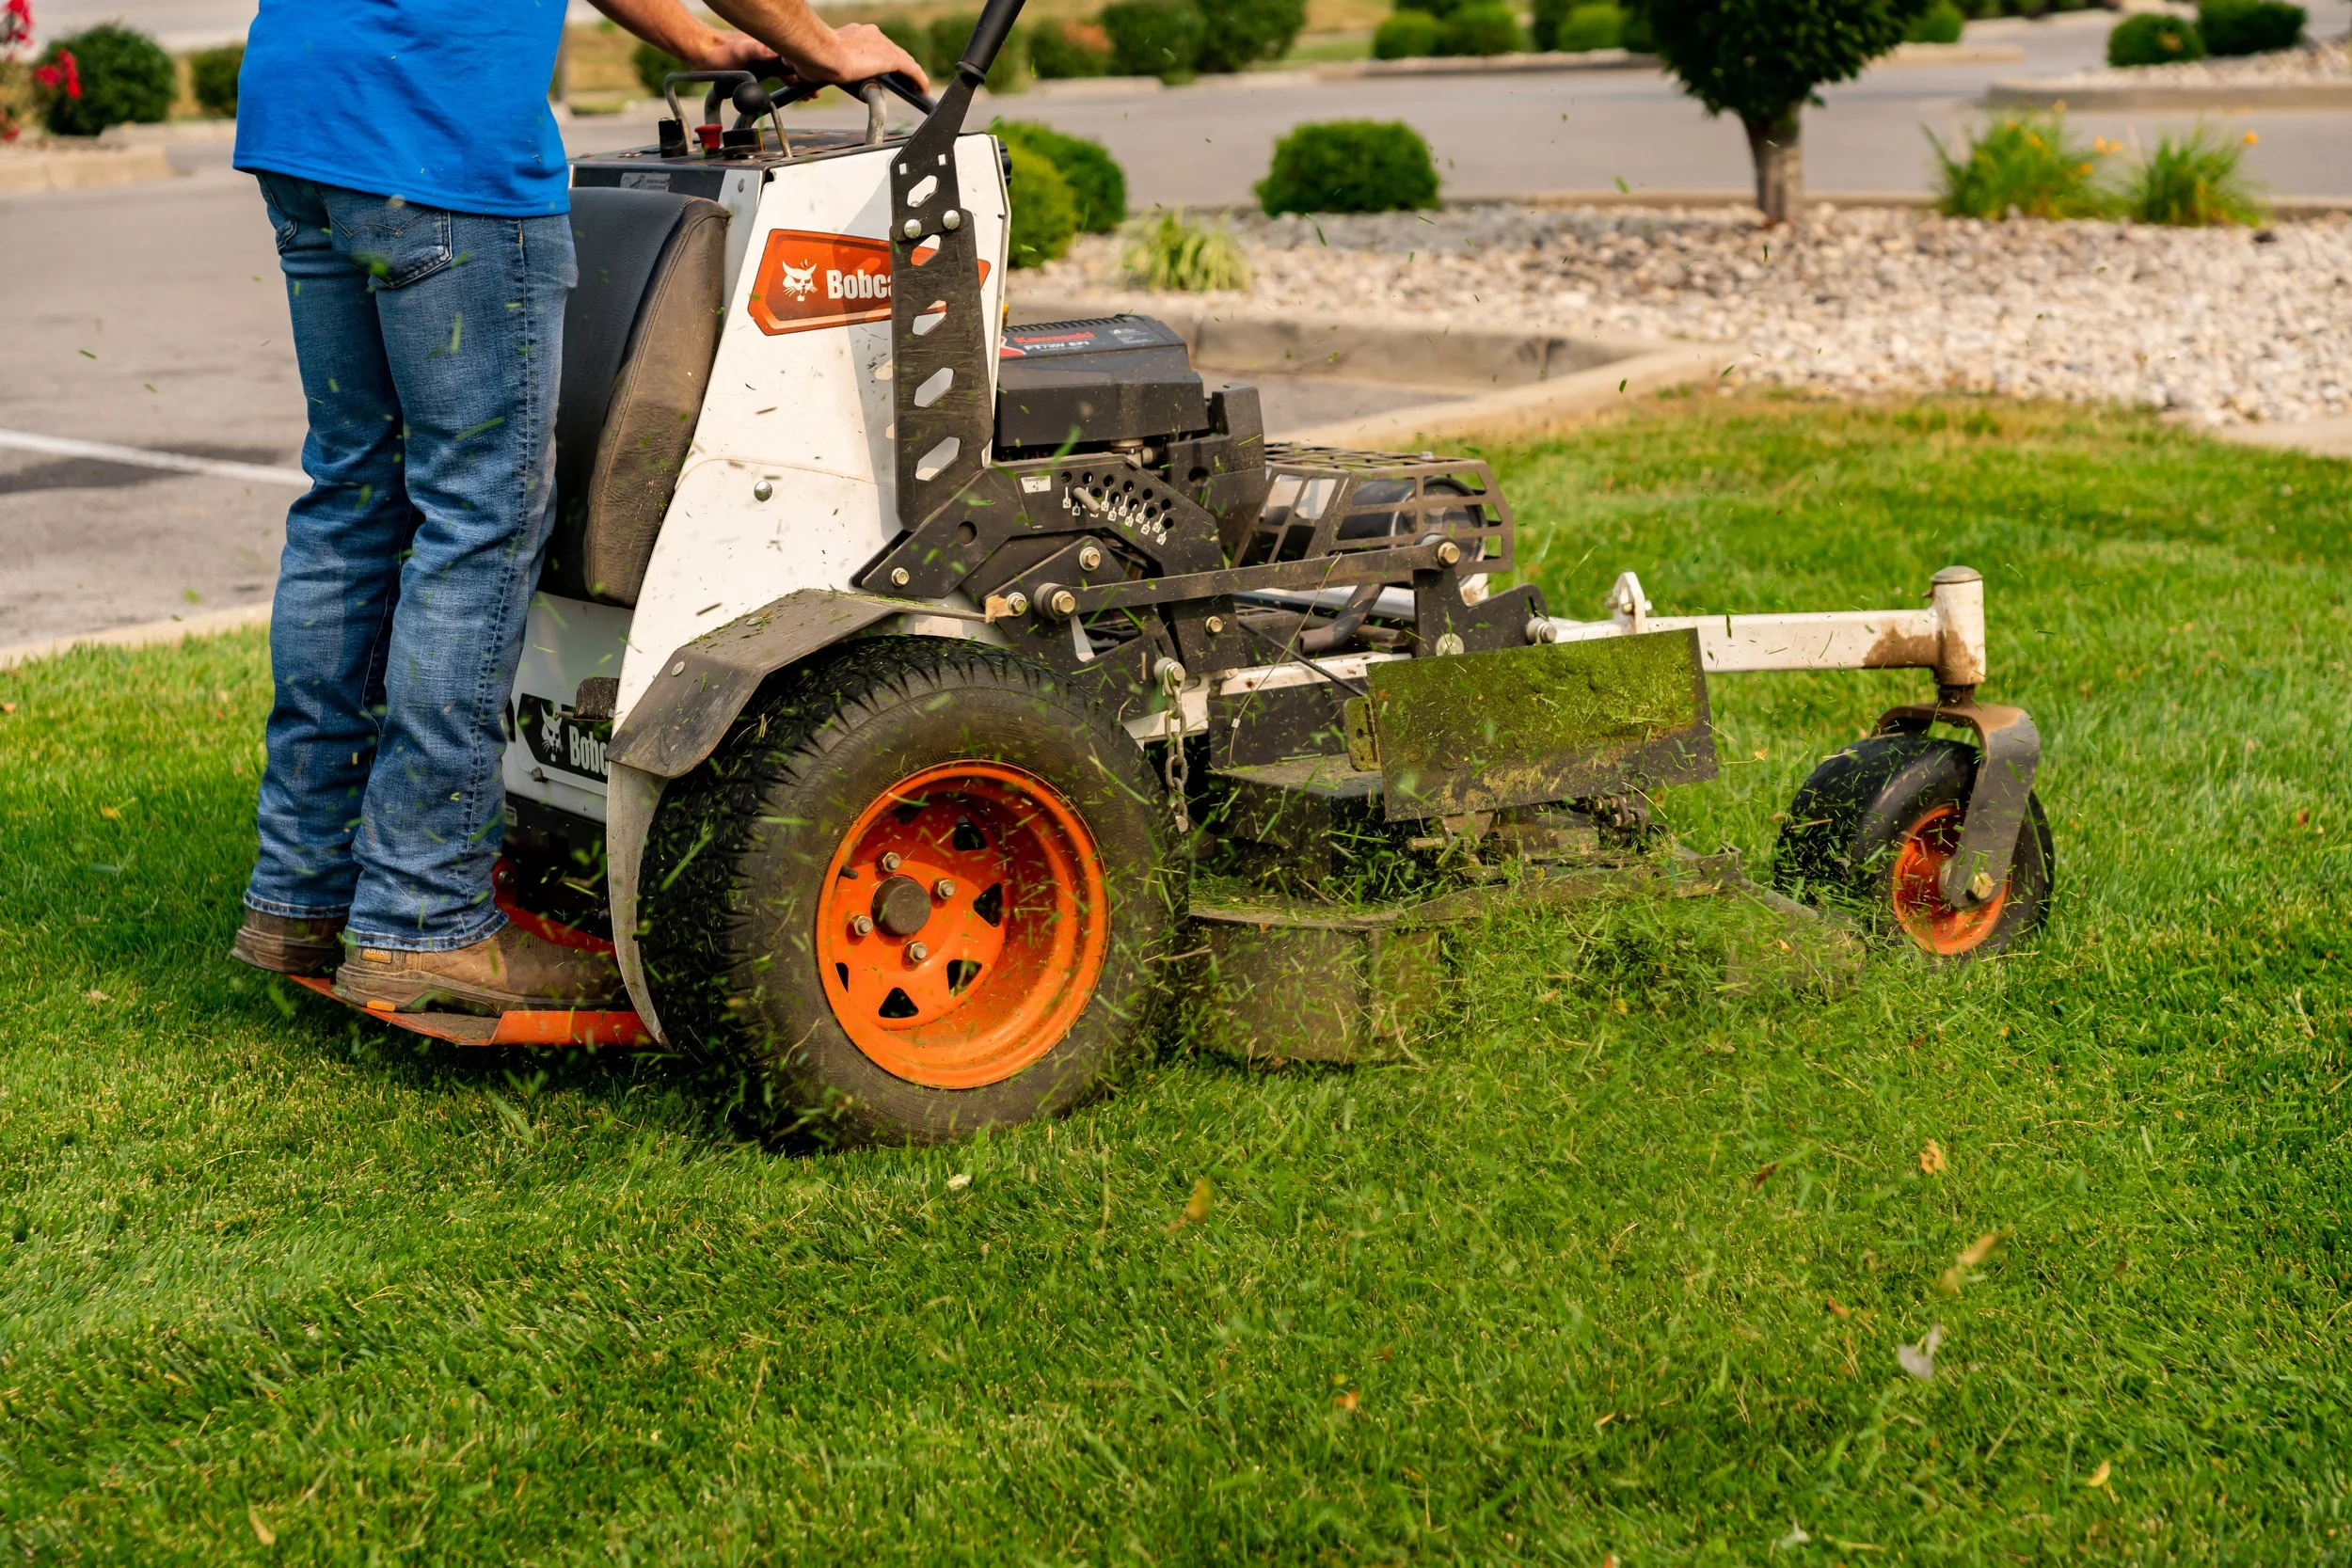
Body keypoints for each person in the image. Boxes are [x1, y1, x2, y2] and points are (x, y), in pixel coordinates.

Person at [225, 0, 926, 1015]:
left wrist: (694, 40)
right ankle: (422, 918)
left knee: (355, 499)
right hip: (438, 129)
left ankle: (304, 886)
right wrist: (825, 43)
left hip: (307, 111)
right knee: (480, 514)